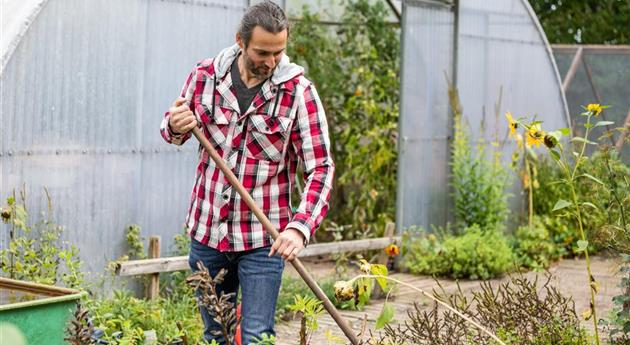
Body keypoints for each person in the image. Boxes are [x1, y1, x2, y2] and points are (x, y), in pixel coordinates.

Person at [159, 1, 334, 343]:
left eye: (278, 53)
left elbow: (321, 169)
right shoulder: (204, 78)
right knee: (215, 333)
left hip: (262, 240)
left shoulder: (298, 93)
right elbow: (171, 130)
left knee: (256, 336)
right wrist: (175, 125)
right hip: (208, 233)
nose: (270, 62)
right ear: (240, 41)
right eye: (262, 52)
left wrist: (299, 228)